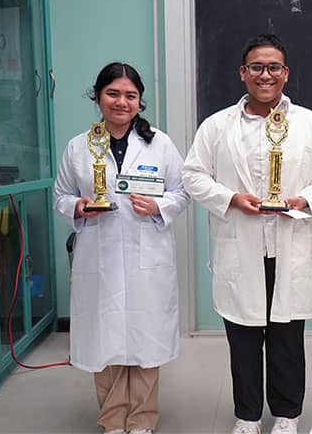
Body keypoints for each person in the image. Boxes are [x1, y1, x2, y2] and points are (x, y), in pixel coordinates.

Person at [182, 34, 312, 434]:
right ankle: (247, 416)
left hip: (289, 245)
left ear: (286, 74)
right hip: (240, 248)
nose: (265, 74)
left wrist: (303, 200)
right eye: (256, 67)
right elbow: (192, 175)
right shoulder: (217, 126)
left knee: (288, 340)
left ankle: (287, 415)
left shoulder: (309, 123)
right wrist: (231, 198)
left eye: (274, 67)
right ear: (243, 73)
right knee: (243, 338)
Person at [54, 62, 190, 434]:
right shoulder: (78, 147)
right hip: (100, 255)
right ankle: (113, 419)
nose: (122, 102)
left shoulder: (159, 143)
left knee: (145, 337)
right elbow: (61, 195)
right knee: (105, 337)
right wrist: (78, 207)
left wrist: (159, 206)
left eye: (130, 96)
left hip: (148, 253)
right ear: (97, 97)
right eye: (113, 93)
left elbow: (181, 191)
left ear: (139, 102)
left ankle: (143, 419)